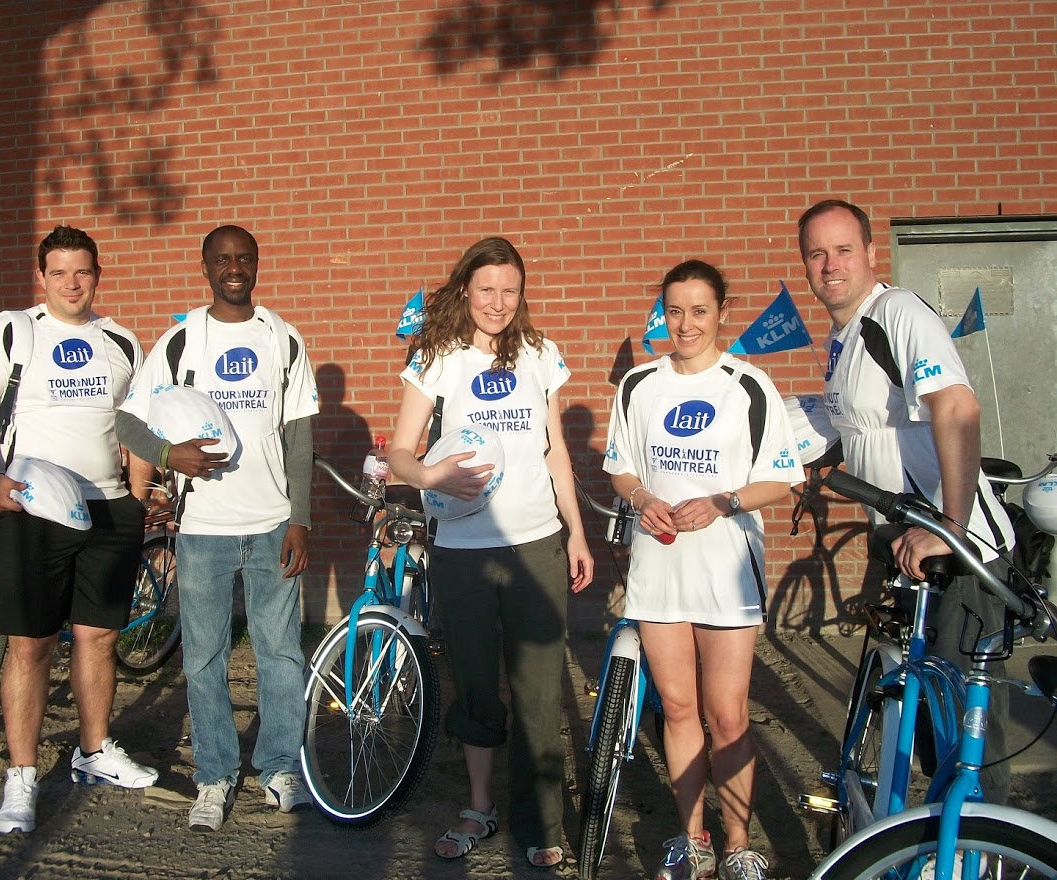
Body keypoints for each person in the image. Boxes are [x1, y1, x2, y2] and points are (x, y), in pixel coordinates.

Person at [797, 198, 1016, 805]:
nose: (830, 265)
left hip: (958, 550)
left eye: (843, 250)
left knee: (967, 732)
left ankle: (979, 852)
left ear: (872, 254)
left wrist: (949, 524)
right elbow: (857, 430)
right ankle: (934, 846)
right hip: (905, 546)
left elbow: (957, 407)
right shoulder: (843, 339)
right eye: (816, 253)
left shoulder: (896, 313)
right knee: (925, 723)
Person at [385, 237, 594, 868]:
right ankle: (479, 808)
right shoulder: (437, 358)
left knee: (537, 690)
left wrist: (576, 531)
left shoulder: (540, 354)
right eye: (486, 290)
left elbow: (556, 449)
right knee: (476, 686)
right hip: (463, 551)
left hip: (536, 545)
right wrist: (429, 477)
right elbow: (399, 449)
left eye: (510, 290)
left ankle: (542, 824)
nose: (498, 303)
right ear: (464, 291)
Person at [0, 225, 158, 835]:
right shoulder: (13, 331)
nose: (72, 283)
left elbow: (138, 427)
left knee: (97, 639)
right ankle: (21, 776)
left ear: (99, 274)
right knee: (30, 645)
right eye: (60, 272)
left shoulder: (121, 341)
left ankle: (93, 754)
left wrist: (138, 497)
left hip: (108, 509)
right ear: (42, 277)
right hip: (30, 510)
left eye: (83, 271)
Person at [115, 224, 318, 832]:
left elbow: (298, 436)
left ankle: (280, 768)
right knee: (203, 657)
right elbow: (127, 424)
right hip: (202, 529)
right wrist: (168, 456)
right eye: (222, 259)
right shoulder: (180, 342)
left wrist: (300, 520)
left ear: (257, 264)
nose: (235, 267)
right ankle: (215, 777)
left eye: (244, 258)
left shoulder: (284, 339)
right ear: (205, 267)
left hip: (271, 524)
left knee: (280, 652)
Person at [604, 259, 802, 880]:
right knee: (678, 707)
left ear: (721, 314)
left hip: (726, 573)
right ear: (662, 312)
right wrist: (641, 499)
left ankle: (740, 844)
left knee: (728, 715)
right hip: (659, 569)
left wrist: (724, 502)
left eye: (699, 310)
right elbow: (621, 468)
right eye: (675, 310)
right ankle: (693, 840)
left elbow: (782, 479)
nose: (685, 324)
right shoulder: (638, 384)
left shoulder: (748, 385)